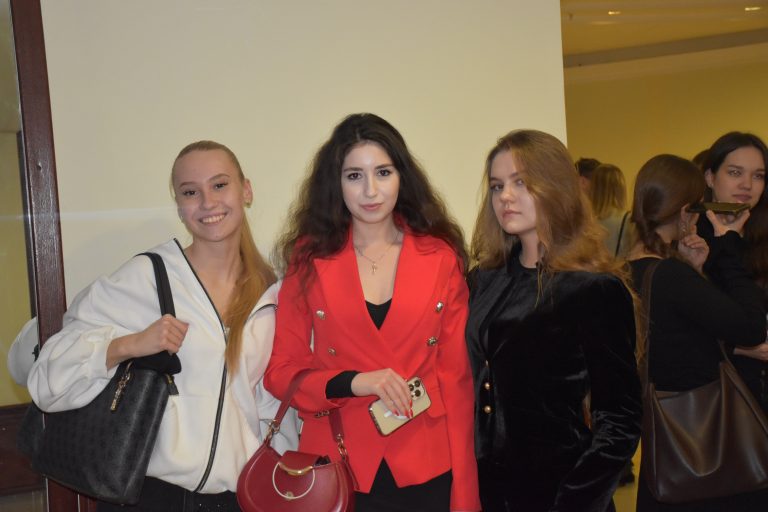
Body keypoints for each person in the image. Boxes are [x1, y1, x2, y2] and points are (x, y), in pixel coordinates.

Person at [27, 140, 299, 511]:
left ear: (246, 190)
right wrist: (128, 344)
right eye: (190, 192)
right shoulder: (148, 277)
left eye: (220, 185)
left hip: (236, 498)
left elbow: (274, 410)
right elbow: (47, 379)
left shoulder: (271, 292)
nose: (207, 202)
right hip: (151, 496)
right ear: (179, 205)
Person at [264, 113, 480, 512]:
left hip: (425, 462)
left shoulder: (440, 257)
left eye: (383, 172)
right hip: (339, 462)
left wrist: (465, 494)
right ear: (336, 183)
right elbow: (281, 372)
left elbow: (457, 381)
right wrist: (355, 382)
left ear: (402, 176)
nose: (370, 190)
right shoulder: (309, 258)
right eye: (354, 176)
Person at [466, 129, 641, 512]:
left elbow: (621, 419)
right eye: (497, 186)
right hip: (490, 492)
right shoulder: (484, 279)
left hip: (561, 491)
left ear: (556, 187)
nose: (505, 196)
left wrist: (575, 499)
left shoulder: (592, 289)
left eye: (520, 183)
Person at [627, 154, 767, 511]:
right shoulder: (671, 276)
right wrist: (729, 244)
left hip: (666, 445)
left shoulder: (627, 271)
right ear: (685, 211)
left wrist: (693, 269)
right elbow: (751, 327)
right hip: (703, 441)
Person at [697, 132, 768, 413]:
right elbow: (674, 326)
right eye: (735, 172)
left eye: (758, 175)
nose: (747, 185)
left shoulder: (762, 236)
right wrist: (737, 347)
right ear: (710, 177)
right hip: (714, 394)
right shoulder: (689, 238)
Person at [588, 163, 631, 258]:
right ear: (620, 188)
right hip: (618, 266)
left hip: (590, 267)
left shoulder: (584, 219)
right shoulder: (628, 219)